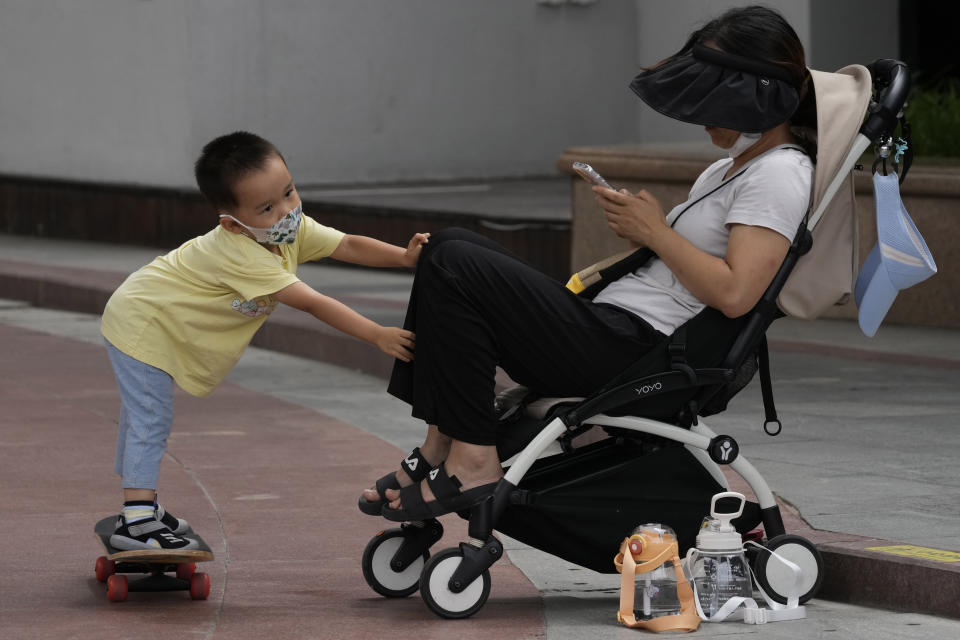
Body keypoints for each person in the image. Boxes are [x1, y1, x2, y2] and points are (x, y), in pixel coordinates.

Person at [359, 5, 816, 523]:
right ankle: (442, 440)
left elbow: (738, 295)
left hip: (639, 350)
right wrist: (651, 231)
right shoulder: (728, 169)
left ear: (758, 95)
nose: (701, 112)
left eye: (714, 98)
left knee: (454, 260)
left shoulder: (781, 173)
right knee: (449, 246)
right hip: (610, 330)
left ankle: (472, 458)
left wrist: (656, 232)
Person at [102, 131, 428, 550]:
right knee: (150, 416)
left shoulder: (283, 231)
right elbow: (312, 303)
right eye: (268, 207)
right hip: (142, 321)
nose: (287, 211)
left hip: (154, 317)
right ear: (232, 223)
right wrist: (376, 334)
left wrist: (403, 257)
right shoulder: (243, 253)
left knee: (142, 416)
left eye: (289, 193)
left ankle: (140, 503)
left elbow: (346, 244)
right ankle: (137, 517)